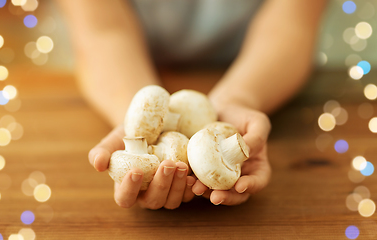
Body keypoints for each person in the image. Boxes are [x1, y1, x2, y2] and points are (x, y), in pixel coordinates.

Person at [56, 0, 327, 209]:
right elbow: (102, 31)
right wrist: (132, 115)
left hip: (257, 70)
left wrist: (238, 100)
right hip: (125, 67)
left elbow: (292, 26)